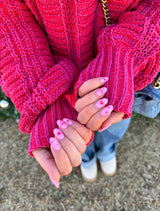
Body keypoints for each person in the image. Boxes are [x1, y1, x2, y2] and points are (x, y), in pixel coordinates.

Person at [0, 0, 160, 188]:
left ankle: (107, 148)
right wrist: (42, 90)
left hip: (121, 77)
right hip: (53, 74)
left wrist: (124, 50)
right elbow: (6, 14)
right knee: (73, 136)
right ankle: (87, 156)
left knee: (113, 125)